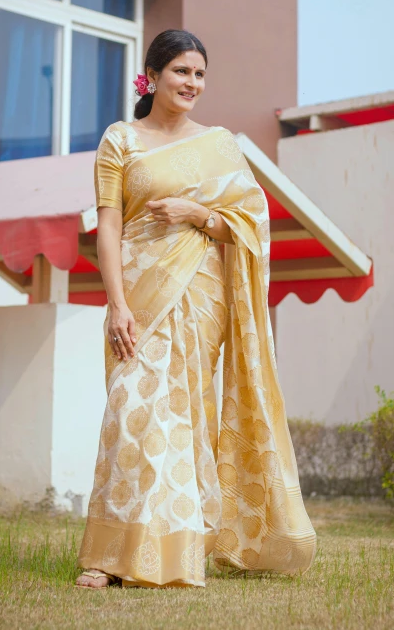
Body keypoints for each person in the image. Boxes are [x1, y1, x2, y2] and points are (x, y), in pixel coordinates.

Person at [75, 29, 316, 589]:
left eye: (200, 74)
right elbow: (106, 225)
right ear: (153, 75)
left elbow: (252, 223)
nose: (192, 83)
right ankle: (109, 555)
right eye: (182, 71)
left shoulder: (220, 145)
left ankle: (174, 553)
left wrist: (197, 213)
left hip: (200, 293)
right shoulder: (121, 140)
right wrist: (115, 304)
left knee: (181, 416)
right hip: (138, 293)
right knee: (131, 408)